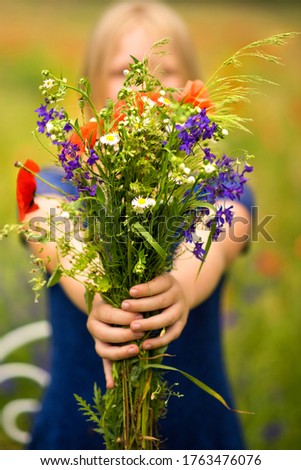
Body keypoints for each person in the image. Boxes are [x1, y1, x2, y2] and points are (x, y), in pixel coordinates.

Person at [26, 1, 254, 450]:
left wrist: (182, 287)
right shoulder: (55, 184)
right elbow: (54, 234)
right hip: (77, 439)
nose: (142, 84)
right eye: (121, 70)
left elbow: (221, 228)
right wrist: (97, 290)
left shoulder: (215, 185)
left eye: (163, 70)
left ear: (193, 90)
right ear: (91, 87)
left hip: (197, 439)